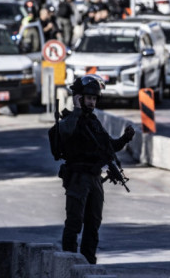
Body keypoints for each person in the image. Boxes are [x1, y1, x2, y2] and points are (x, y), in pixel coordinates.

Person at [57, 75, 135, 264]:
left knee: (93, 223)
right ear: (78, 98)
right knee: (74, 222)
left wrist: (125, 138)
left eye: (94, 98)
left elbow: (108, 146)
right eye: (88, 98)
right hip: (77, 178)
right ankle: (69, 263)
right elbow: (65, 132)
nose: (91, 102)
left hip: (94, 178)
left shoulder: (93, 122)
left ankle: (88, 263)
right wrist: (76, 109)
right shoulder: (70, 119)